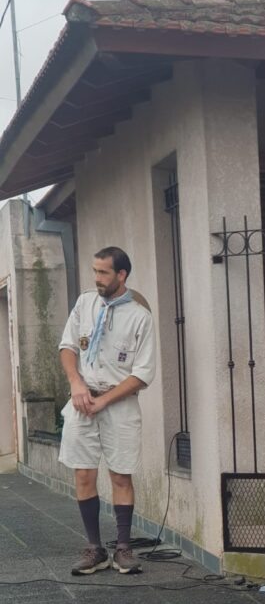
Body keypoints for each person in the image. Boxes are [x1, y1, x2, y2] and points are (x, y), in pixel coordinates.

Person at [59, 246, 156, 576]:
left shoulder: (140, 317)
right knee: (83, 474)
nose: (97, 278)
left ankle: (123, 548)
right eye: (95, 271)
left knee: (120, 475)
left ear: (121, 275)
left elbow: (143, 373)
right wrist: (76, 383)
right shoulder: (85, 303)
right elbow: (67, 346)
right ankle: (94, 549)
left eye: (103, 272)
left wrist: (105, 400)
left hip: (120, 406)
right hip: (82, 401)